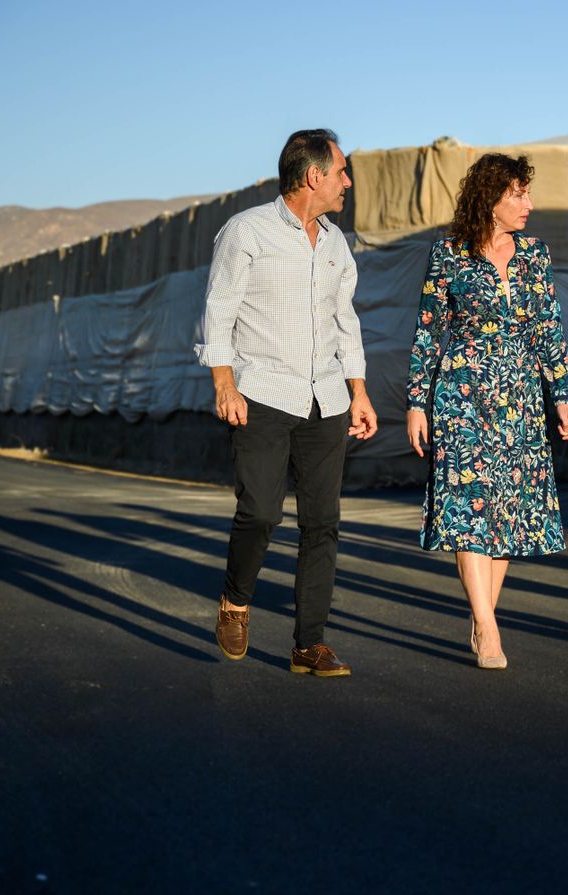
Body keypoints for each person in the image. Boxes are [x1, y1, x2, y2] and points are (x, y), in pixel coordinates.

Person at [197, 128, 378, 677]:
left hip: (326, 398)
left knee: (322, 522)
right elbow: (219, 308)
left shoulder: (336, 243)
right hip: (262, 393)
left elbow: (345, 321)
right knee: (260, 511)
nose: (348, 182)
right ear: (313, 176)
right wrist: (223, 384)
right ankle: (235, 600)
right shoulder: (246, 230)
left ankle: (309, 643)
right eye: (342, 172)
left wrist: (360, 391)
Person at [406, 153, 568, 670]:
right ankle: (487, 625)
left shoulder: (535, 254)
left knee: (505, 514)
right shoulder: (448, 255)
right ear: (491, 200)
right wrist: (417, 403)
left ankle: (483, 615)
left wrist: (562, 396)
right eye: (518, 195)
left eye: (527, 193)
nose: (529, 204)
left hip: (521, 399)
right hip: (460, 397)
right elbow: (428, 331)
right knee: (468, 508)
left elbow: (549, 328)